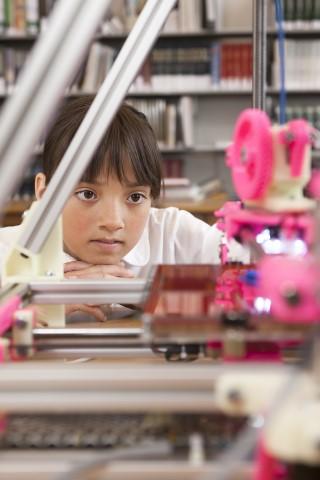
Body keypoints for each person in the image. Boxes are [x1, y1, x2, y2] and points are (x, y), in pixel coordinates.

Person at [0, 95, 247, 320]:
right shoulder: (6, 252)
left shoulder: (175, 234)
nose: (113, 221)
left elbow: (253, 299)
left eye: (135, 197)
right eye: (88, 194)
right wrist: (33, 308)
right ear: (44, 192)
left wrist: (140, 294)